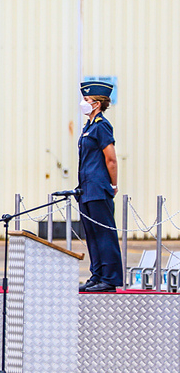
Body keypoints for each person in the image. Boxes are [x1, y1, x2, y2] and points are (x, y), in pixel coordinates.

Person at [76, 81, 123, 292]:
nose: (83, 103)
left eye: (87, 100)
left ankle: (110, 278)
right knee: (92, 235)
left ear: (97, 104)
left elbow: (110, 159)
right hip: (86, 189)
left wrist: (113, 184)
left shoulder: (102, 125)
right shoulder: (89, 126)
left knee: (104, 234)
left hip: (98, 188)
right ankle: (97, 275)